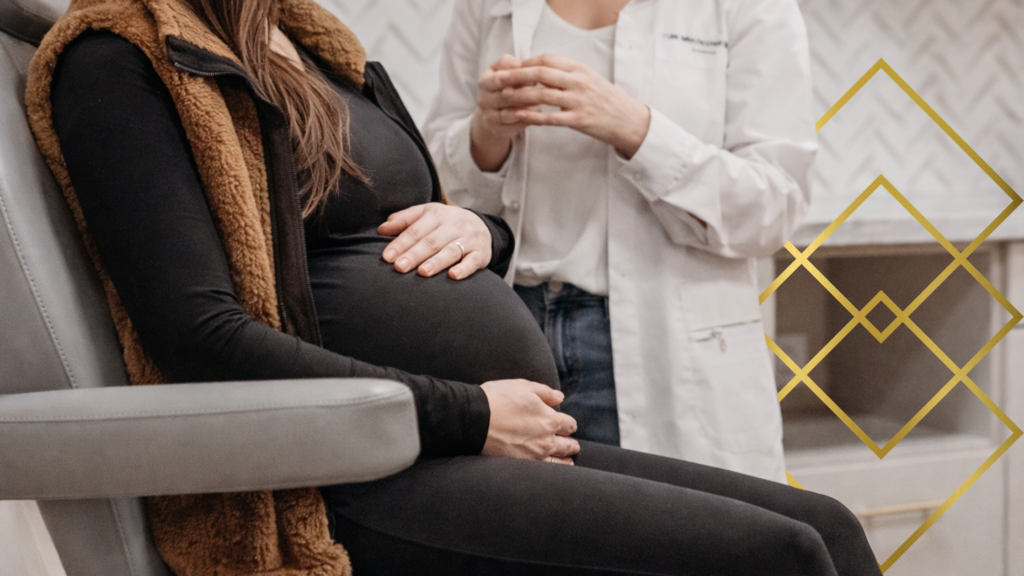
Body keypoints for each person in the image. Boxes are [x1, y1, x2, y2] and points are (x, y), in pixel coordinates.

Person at [28, 0, 875, 575]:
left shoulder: (306, 44)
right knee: (784, 555)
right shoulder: (121, 61)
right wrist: (467, 414)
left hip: (465, 429)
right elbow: (196, 335)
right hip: (355, 468)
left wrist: (482, 230)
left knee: (829, 525)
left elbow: (440, 217)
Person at [424, 0, 816, 479]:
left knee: (670, 540)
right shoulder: (486, 6)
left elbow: (775, 204)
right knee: (525, 543)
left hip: (660, 344)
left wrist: (636, 129)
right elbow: (443, 179)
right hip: (512, 332)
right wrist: (486, 133)